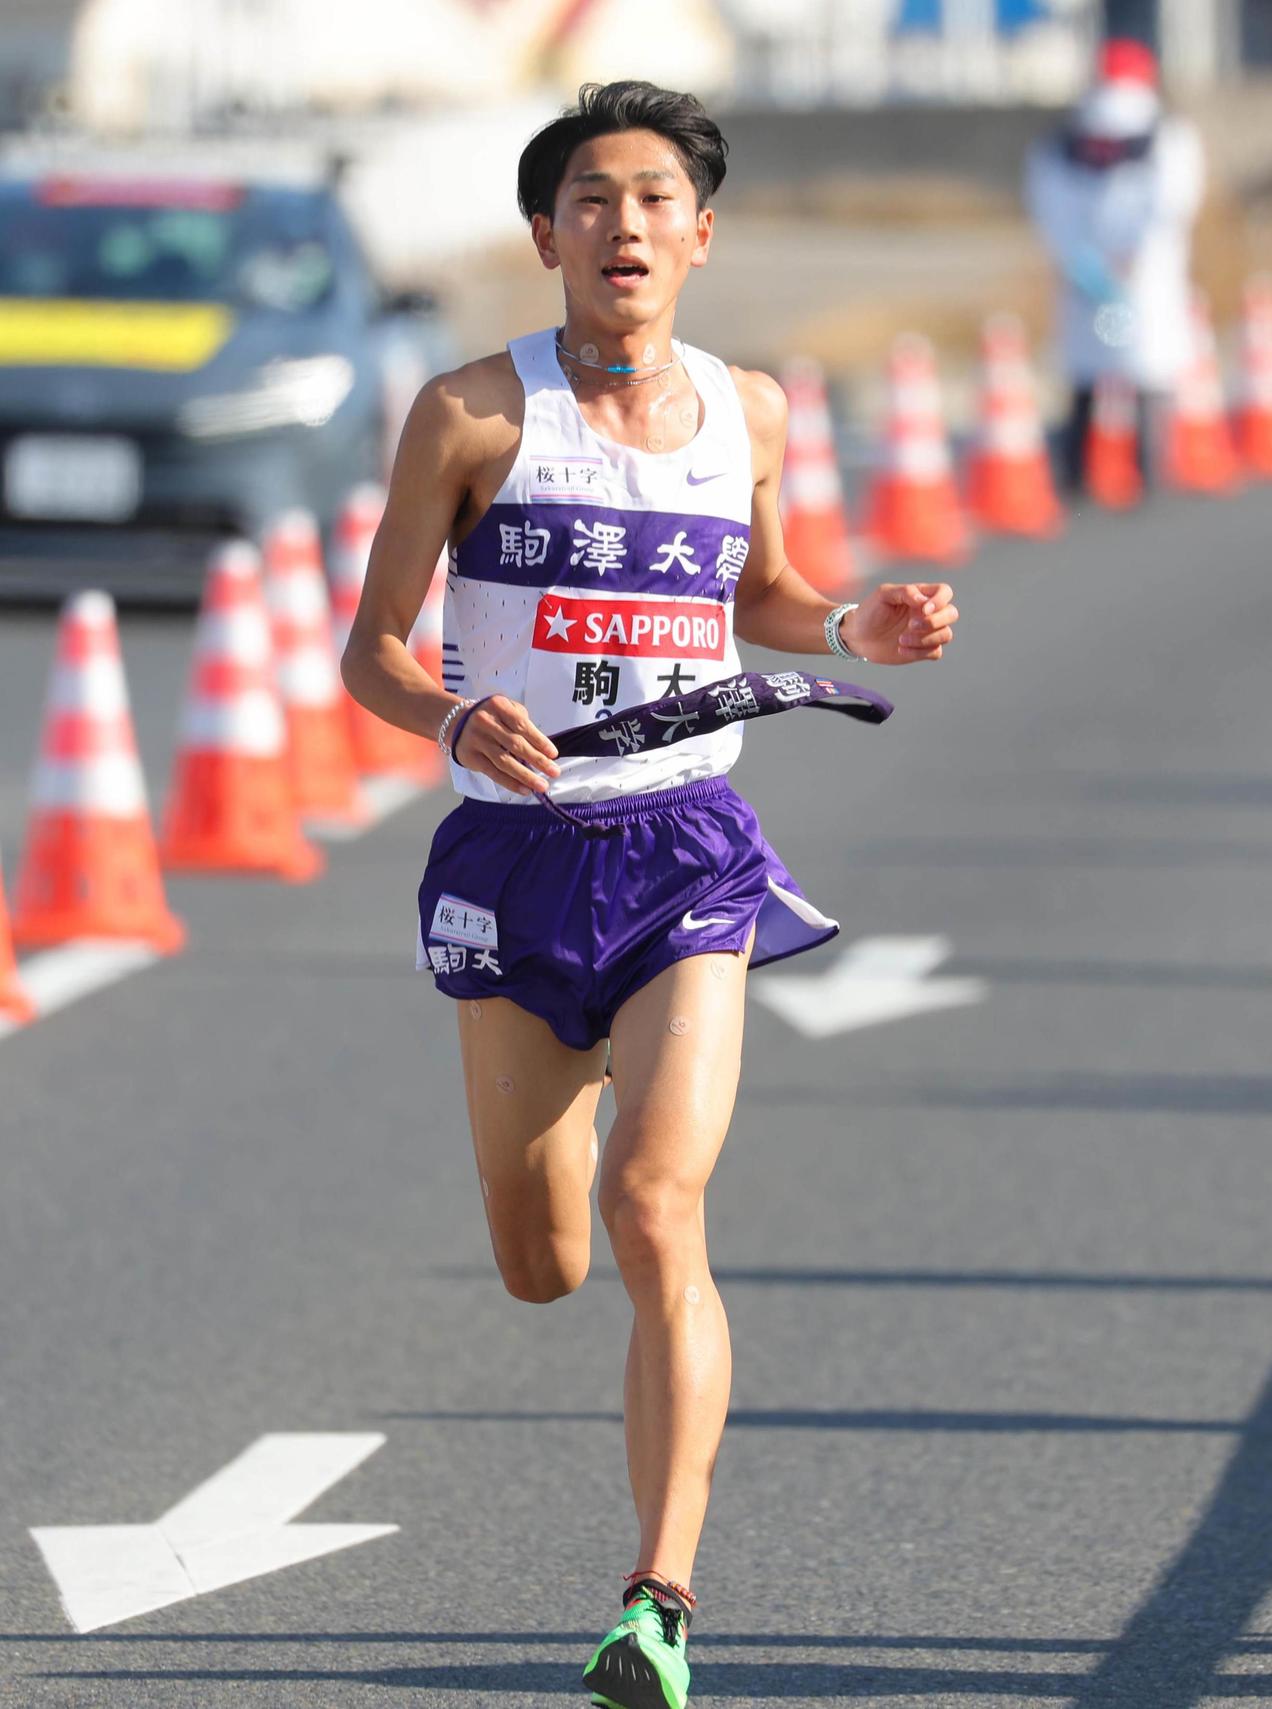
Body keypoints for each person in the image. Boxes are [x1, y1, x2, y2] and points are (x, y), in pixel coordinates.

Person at [342, 80, 959, 1709]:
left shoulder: (748, 410)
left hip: (686, 847)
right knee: (545, 1258)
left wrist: (849, 631)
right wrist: (446, 710)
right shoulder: (471, 415)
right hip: (512, 856)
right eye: (594, 199)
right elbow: (371, 648)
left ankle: (658, 1596)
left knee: (655, 1208)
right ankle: (579, 1065)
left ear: (702, 232)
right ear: (545, 234)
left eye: (657, 199)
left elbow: (762, 586)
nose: (627, 224)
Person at [1025, 38, 1205, 496]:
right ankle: (1145, 466)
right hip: (1141, 277)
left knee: (1089, 370)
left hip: (1087, 277)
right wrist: (1133, 258)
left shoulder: (1067, 138)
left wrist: (1080, 260)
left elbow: (1049, 203)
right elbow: (1172, 203)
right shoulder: (1165, 134)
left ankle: (1077, 469)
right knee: (1144, 367)